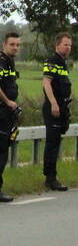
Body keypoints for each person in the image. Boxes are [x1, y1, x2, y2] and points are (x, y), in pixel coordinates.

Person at [41, 32, 74, 191]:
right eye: (65, 44)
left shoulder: (63, 62)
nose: (68, 48)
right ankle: (50, 178)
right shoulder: (53, 60)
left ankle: (52, 176)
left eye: (70, 45)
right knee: (52, 143)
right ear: (57, 45)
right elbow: (47, 82)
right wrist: (53, 103)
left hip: (62, 107)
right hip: (53, 108)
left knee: (56, 142)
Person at [0, 32, 21, 203]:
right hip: (1, 111)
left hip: (6, 113)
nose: (15, 47)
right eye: (12, 44)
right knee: (0, 152)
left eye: (17, 45)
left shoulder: (9, 62)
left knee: (3, 151)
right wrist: (7, 101)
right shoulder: (1, 61)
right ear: (4, 45)